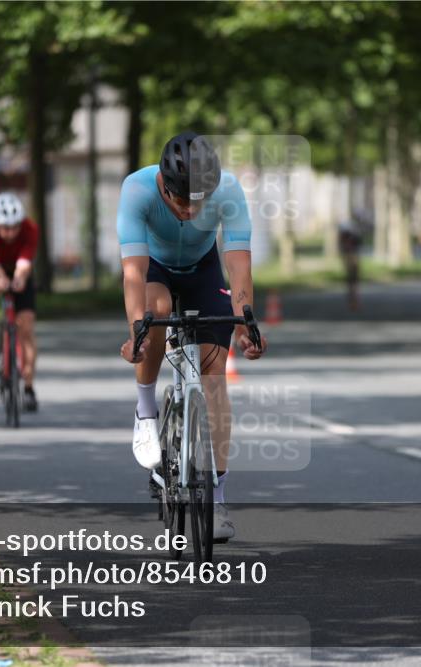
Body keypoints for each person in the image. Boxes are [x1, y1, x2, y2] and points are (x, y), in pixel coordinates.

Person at [116, 131, 268, 541]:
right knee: (157, 311)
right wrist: (137, 331)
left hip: (203, 271)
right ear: (164, 186)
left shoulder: (229, 190)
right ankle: (146, 410)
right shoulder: (137, 189)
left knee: (214, 376)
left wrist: (245, 324)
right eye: (182, 201)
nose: (190, 210)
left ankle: (216, 499)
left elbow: (238, 266)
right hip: (155, 270)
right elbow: (133, 272)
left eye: (199, 201)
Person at [0, 192, 40, 412]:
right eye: (5, 228)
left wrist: (20, 279)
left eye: (14, 227)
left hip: (18, 269)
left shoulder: (30, 229)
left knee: (27, 327)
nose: (10, 233)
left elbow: (24, 263)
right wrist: (0, 281)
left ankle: (29, 387)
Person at [338, 218, 362, 310]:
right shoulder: (347, 240)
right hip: (350, 262)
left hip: (352, 262)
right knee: (352, 283)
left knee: (353, 283)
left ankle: (354, 302)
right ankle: (353, 301)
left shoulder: (352, 239)